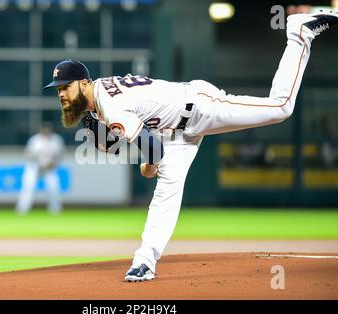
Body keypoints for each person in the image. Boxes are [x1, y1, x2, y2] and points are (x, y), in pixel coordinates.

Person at [43, 12, 338, 281]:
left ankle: (299, 33)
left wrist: (148, 165)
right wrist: (95, 121)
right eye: (58, 90)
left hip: (199, 108)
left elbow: (152, 151)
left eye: (65, 87)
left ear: (83, 83)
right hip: (173, 131)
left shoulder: (108, 105)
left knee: (281, 108)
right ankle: (144, 261)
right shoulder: (97, 98)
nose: (61, 94)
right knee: (165, 194)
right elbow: (117, 142)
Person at [16, 122, 65, 215]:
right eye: (44, 130)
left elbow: (60, 156)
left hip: (49, 168)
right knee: (28, 187)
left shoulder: (57, 140)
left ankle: (55, 209)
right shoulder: (34, 140)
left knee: (54, 187)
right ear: (41, 130)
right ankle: (22, 209)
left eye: (48, 130)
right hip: (34, 166)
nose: (46, 131)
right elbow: (28, 155)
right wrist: (39, 162)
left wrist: (55, 163)